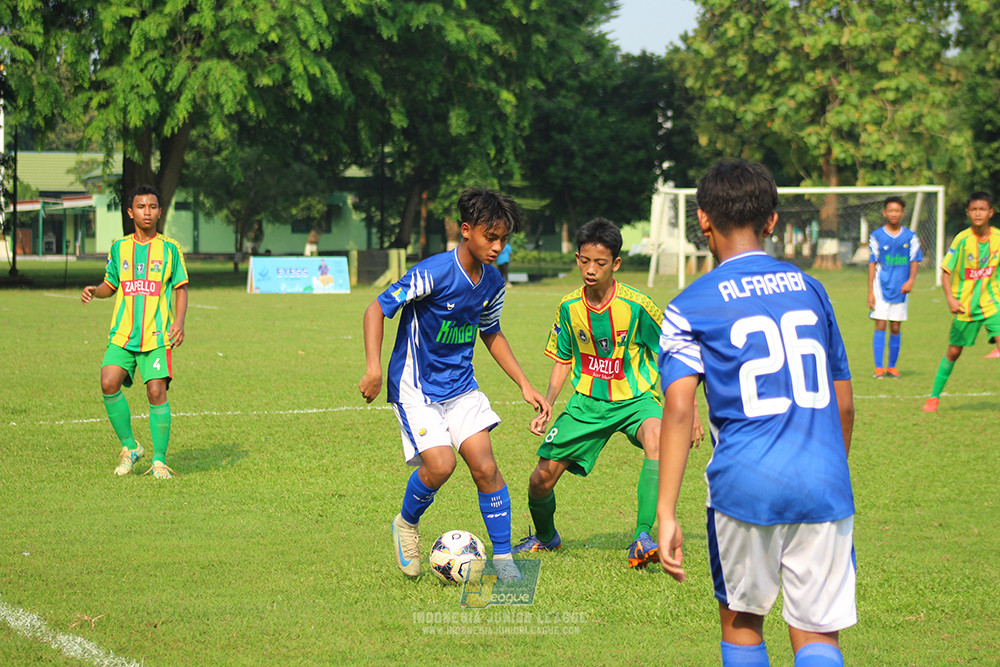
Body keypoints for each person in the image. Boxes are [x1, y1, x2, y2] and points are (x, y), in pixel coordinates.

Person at [657, 160, 856, 667]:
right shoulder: (813, 290)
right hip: (822, 478)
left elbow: (679, 411)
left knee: (743, 622)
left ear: (702, 220)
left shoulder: (688, 305)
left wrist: (665, 513)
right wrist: (830, 471)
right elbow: (845, 402)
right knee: (817, 632)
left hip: (743, 483)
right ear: (772, 221)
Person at [359, 187, 550, 582]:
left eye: (503, 239)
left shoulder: (493, 282)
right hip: (416, 388)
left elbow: (491, 331)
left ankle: (503, 560)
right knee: (441, 465)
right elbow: (377, 309)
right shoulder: (434, 272)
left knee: (485, 466)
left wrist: (524, 384)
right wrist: (374, 369)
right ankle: (406, 523)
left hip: (461, 386)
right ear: (467, 231)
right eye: (490, 237)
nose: (497, 247)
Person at [513, 218, 701, 569]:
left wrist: (690, 409)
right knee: (540, 480)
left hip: (636, 401)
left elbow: (674, 356)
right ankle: (545, 537)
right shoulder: (569, 308)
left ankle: (643, 536)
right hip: (586, 404)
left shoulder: (637, 306)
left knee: (658, 436)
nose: (590, 269)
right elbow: (563, 360)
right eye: (584, 260)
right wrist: (549, 404)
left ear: (615, 263)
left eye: (600, 263)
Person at [81, 184, 189, 479]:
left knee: (156, 392)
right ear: (131, 212)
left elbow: (181, 288)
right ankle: (131, 447)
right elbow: (110, 284)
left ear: (159, 211)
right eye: (141, 207)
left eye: (152, 207)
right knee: (108, 382)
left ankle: (159, 461)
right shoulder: (119, 247)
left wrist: (178, 322)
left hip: (156, 337)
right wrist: (96, 291)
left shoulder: (170, 248)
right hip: (123, 335)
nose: (147, 212)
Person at [923, 191, 1000, 412]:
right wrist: (950, 299)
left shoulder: (998, 239)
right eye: (974, 209)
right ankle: (934, 397)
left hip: (993, 304)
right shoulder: (962, 239)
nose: (978, 213)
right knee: (954, 351)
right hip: (965, 306)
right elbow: (945, 272)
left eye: (982, 209)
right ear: (968, 213)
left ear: (990, 212)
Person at [867, 196, 922, 377]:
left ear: (903, 213)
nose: (894, 214)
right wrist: (870, 292)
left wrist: (911, 280)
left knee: (896, 326)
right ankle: (878, 367)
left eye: (897, 211)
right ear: (885, 213)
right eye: (890, 210)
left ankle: (892, 366)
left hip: (901, 288)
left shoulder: (910, 237)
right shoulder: (876, 236)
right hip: (880, 287)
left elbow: (914, 260)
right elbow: (872, 263)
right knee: (880, 324)